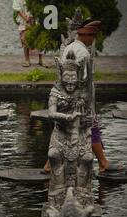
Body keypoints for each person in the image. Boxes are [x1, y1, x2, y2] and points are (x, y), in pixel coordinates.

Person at [43, 21, 125, 174]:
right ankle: (102, 163)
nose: (93, 39)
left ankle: (49, 164)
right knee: (91, 128)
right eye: (92, 36)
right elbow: (84, 82)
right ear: (86, 35)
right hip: (80, 100)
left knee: (61, 129)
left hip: (65, 96)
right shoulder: (84, 53)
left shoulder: (69, 47)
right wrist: (87, 106)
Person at [12, 0, 47, 68]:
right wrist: (26, 19)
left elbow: (40, 6)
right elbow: (17, 10)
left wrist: (34, 18)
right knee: (24, 38)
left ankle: (41, 59)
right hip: (23, 19)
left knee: (40, 38)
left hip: (36, 19)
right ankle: (27, 60)